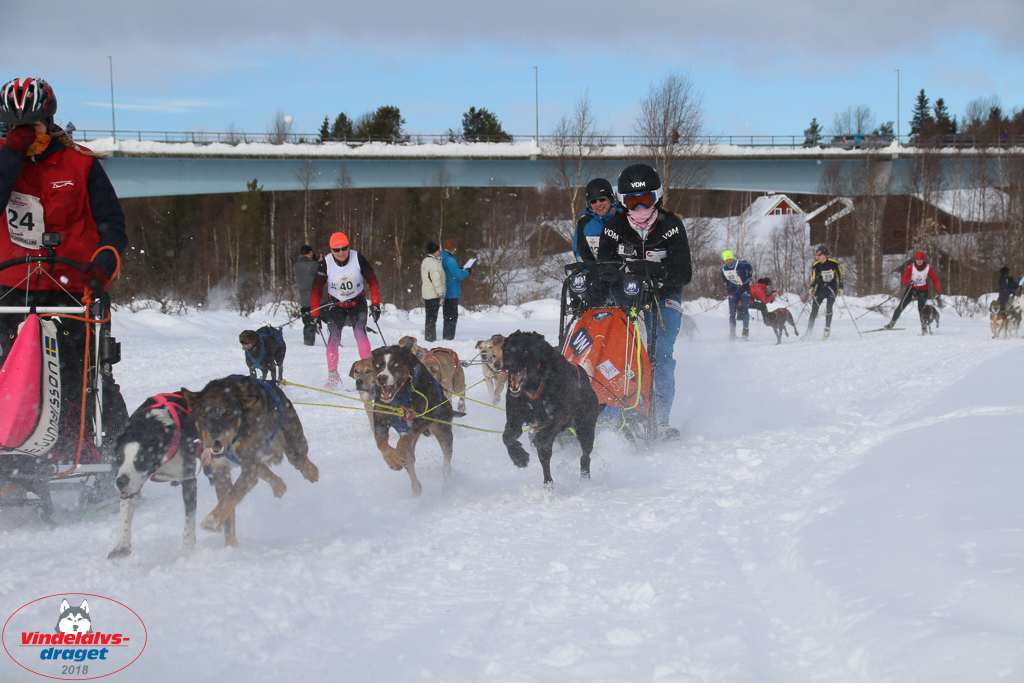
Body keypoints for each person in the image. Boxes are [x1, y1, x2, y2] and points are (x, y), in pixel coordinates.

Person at [0, 77, 129, 461]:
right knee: (11, 374)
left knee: (75, 374)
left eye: (33, 127)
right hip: (10, 288)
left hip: (72, 288)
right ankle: (12, 449)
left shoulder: (81, 162)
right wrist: (12, 157)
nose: (26, 135)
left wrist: (102, 266)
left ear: (50, 122)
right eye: (15, 128)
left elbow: (112, 225)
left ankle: (80, 447)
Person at [597, 163, 692, 440]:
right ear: (622, 201)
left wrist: (656, 271)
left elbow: (684, 273)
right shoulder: (614, 228)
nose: (639, 207)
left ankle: (659, 418)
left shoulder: (671, 225)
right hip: (625, 297)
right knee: (620, 350)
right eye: (632, 201)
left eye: (646, 199)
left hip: (664, 296)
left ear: (657, 197)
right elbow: (603, 267)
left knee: (659, 352)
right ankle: (614, 411)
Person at [309, 232, 381, 388]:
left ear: (349, 247)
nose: (341, 252)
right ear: (331, 250)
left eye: (344, 248)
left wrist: (375, 303)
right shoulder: (326, 263)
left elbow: (372, 281)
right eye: (337, 250)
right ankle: (333, 377)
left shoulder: (357, 258)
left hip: (357, 303)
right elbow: (316, 290)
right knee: (333, 339)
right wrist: (314, 314)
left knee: (360, 334)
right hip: (336, 305)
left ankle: (370, 375)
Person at [885, 251, 940, 331]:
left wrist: (937, 292)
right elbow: (903, 279)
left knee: (921, 309)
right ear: (915, 259)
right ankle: (892, 323)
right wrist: (909, 281)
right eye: (917, 259)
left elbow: (935, 280)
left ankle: (924, 327)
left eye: (921, 259)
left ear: (923, 259)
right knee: (902, 305)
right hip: (912, 289)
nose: (919, 261)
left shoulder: (928, 268)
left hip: (923, 291)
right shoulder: (911, 267)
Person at [573, 178, 620, 262]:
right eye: (593, 201)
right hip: (594, 269)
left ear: (610, 199)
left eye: (602, 199)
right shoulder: (584, 223)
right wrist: (591, 268)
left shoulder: (622, 218)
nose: (598, 204)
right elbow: (580, 252)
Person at [805, 246, 843, 340]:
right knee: (814, 310)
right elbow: (814, 277)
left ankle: (827, 329)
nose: (817, 257)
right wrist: (812, 287)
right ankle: (808, 331)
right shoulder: (815, 265)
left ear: (824, 255)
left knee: (829, 308)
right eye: (817, 255)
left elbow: (840, 274)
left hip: (831, 288)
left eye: (819, 255)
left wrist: (841, 286)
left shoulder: (834, 263)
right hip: (820, 289)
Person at [441, 238, 470, 341]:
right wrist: (467, 271)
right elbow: (458, 275)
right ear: (453, 249)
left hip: (443, 290)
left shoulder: (441, 256)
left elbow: (450, 271)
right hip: (451, 290)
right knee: (452, 317)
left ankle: (446, 336)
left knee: (446, 316)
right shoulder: (450, 260)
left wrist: (458, 269)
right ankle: (449, 337)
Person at [721, 250, 754, 339]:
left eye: (730, 259)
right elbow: (725, 280)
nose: (729, 261)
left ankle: (745, 330)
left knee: (744, 309)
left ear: (733, 258)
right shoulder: (724, 269)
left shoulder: (742, 264)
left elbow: (750, 267)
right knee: (732, 312)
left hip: (744, 290)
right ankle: (732, 332)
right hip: (733, 291)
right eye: (726, 260)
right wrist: (728, 287)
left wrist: (749, 277)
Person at [293, 245, 321, 346]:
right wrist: (320, 262)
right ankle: (335, 342)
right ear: (310, 253)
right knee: (331, 321)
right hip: (318, 299)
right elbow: (323, 273)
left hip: (305, 300)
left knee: (308, 323)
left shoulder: (296, 266)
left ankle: (308, 344)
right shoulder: (314, 265)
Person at [421, 242, 445, 342]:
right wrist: (441, 293)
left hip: (427, 293)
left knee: (429, 317)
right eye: (438, 250)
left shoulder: (426, 261)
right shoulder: (434, 263)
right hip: (433, 294)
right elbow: (436, 280)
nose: (440, 251)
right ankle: (430, 338)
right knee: (432, 318)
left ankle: (429, 336)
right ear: (435, 251)